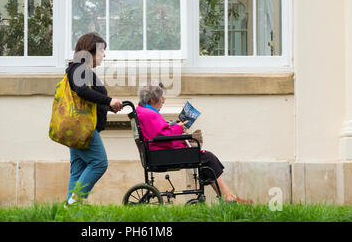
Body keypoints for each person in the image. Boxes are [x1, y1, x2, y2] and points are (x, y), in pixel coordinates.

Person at [135, 82, 252, 204]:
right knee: (208, 157)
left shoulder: (143, 111)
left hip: (158, 152)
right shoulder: (150, 114)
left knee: (206, 158)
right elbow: (164, 136)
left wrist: (174, 126)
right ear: (153, 99)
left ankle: (228, 196)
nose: (163, 100)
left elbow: (160, 133)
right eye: (162, 97)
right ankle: (228, 198)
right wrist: (179, 128)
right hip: (162, 155)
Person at [65, 32, 123, 205]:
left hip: (78, 127)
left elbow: (86, 99)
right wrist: (108, 100)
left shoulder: (81, 69)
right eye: (102, 50)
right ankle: (73, 203)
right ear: (90, 50)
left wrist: (107, 107)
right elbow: (82, 91)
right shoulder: (78, 68)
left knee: (78, 169)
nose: (104, 55)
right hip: (83, 128)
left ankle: (71, 211)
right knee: (99, 163)